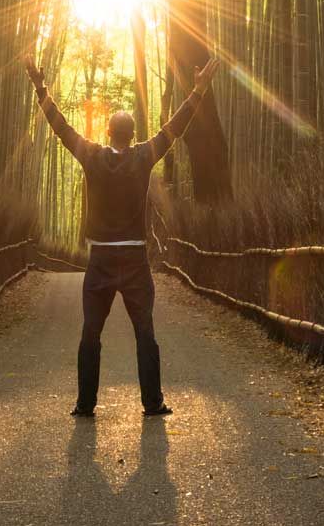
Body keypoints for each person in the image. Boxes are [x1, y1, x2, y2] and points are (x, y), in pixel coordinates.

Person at [25, 52, 221, 417]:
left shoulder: (92, 155)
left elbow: (61, 127)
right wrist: (198, 91)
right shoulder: (144, 156)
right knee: (145, 332)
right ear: (132, 135)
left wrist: (41, 88)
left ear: (108, 133)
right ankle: (153, 402)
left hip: (99, 260)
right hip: (134, 260)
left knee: (90, 334)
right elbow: (174, 129)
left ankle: (85, 404)